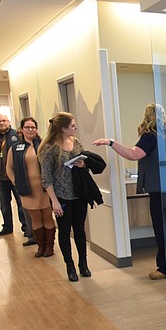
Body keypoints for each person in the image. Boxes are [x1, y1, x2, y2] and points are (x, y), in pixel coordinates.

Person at [94, 103, 166, 280]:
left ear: (147, 116)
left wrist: (111, 143)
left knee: (162, 228)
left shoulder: (150, 137)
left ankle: (165, 268)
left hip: (162, 189)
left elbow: (133, 154)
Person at [39, 112, 92, 282]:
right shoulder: (49, 148)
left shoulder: (76, 143)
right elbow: (46, 178)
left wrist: (83, 164)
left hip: (78, 194)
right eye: (72, 126)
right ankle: (69, 265)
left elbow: (84, 164)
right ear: (63, 128)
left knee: (80, 229)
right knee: (64, 231)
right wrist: (54, 201)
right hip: (61, 196)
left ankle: (83, 263)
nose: (75, 128)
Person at [6, 117, 55, 258]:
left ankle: (49, 247)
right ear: (21, 130)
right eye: (27, 127)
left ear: (36, 129)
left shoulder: (44, 145)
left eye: (33, 127)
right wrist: (17, 182)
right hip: (27, 190)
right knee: (35, 219)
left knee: (47, 217)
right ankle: (40, 246)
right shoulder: (15, 149)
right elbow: (9, 168)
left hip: (45, 189)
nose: (30, 130)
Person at [0, 113, 33, 243]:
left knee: (21, 203)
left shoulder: (16, 135)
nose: (2, 123)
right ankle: (7, 226)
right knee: (4, 204)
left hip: (16, 176)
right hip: (0, 177)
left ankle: (26, 227)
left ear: (9, 121)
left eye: (4, 121)